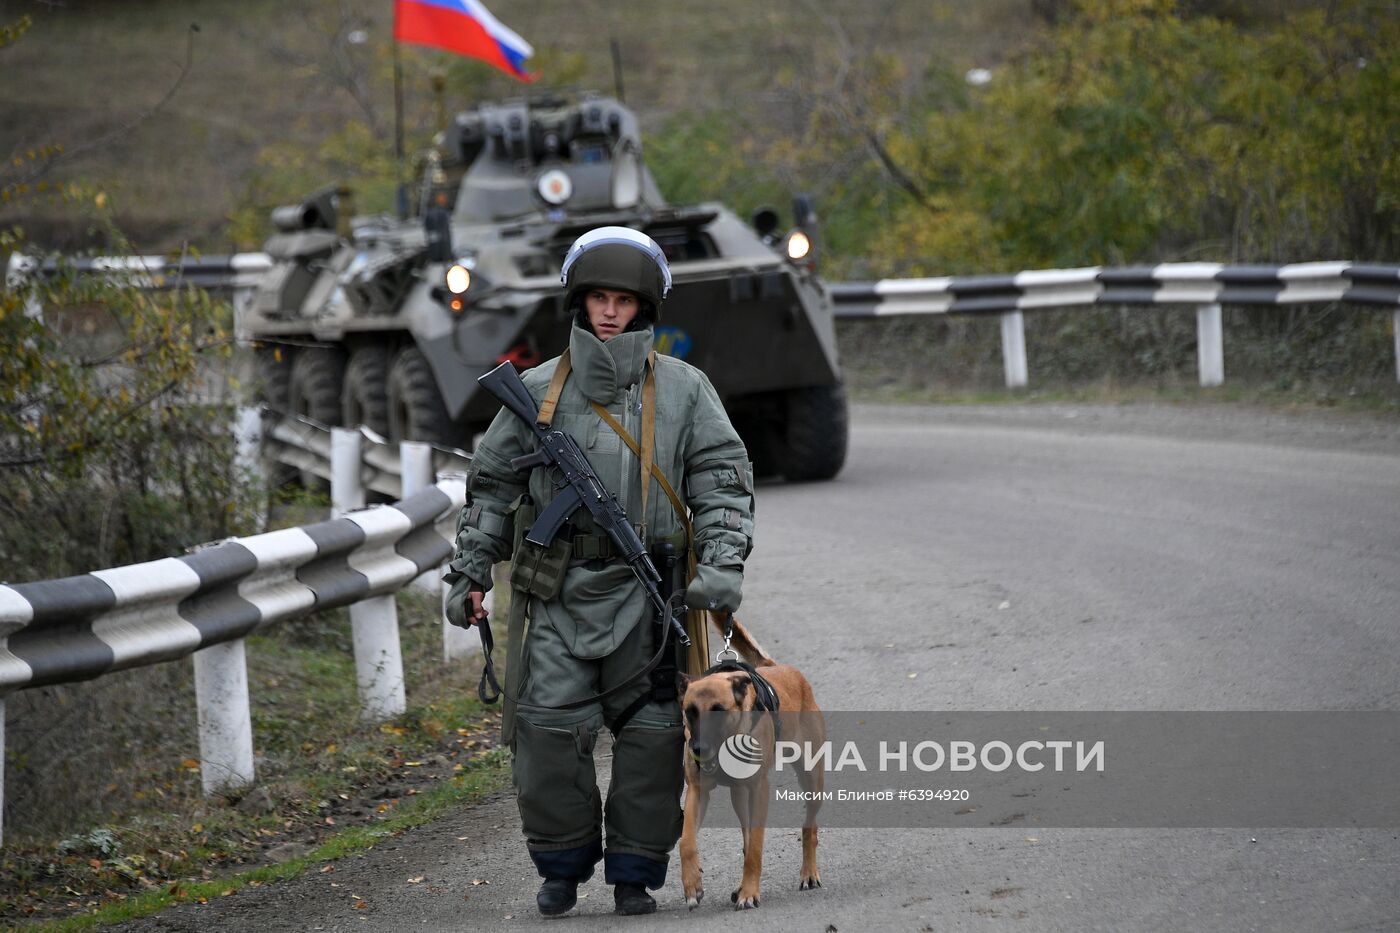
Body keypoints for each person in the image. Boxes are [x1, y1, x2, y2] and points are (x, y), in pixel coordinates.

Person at [443, 226, 755, 917]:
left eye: (622, 300)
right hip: (552, 593)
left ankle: (634, 874)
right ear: (578, 304)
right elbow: (491, 488)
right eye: (597, 299)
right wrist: (468, 573)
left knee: (650, 737)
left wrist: (724, 566)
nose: (609, 311)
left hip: (649, 596)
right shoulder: (533, 392)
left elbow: (723, 485)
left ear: (642, 308)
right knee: (547, 732)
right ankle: (560, 867)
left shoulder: (685, 391)